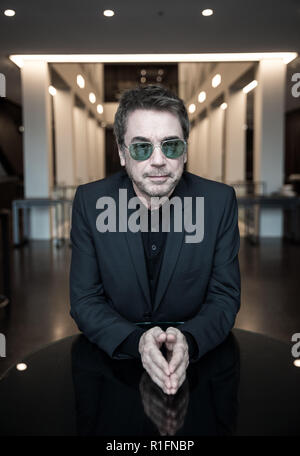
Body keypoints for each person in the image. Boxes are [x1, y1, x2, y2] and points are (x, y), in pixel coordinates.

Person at [69, 84, 241, 396]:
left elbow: (225, 296)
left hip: (200, 372)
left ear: (185, 150)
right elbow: (84, 299)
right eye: (141, 147)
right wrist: (136, 342)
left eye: (171, 146)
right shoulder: (89, 202)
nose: (158, 160)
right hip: (113, 373)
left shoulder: (220, 202)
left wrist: (188, 341)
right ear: (122, 153)